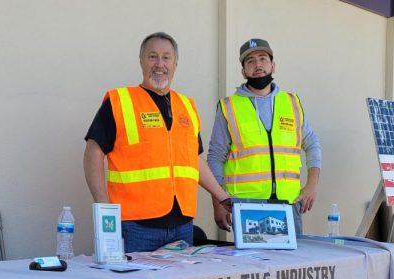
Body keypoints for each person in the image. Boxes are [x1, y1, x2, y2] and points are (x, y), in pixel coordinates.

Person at [83, 32, 231, 252]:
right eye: (152, 57)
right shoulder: (120, 101)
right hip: (136, 226)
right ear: (141, 61)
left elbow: (194, 161)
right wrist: (104, 206)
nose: (159, 64)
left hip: (182, 223)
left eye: (166, 57)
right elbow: (92, 153)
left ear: (175, 63)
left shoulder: (187, 106)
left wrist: (221, 196)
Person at [207, 38, 321, 234]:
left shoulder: (291, 103)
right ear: (243, 72)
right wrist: (218, 201)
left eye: (263, 58)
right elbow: (215, 156)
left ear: (273, 66)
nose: (258, 64)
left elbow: (312, 144)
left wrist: (311, 185)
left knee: (291, 264)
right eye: (250, 61)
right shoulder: (229, 107)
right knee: (253, 263)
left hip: (290, 204)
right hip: (247, 206)